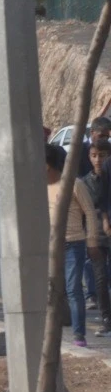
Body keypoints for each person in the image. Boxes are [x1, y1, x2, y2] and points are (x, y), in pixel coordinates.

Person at [46, 144, 105, 348]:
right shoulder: (39, 186)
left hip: (73, 245)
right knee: (53, 290)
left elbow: (89, 212)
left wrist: (91, 241)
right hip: (50, 247)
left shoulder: (74, 184)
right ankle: (54, 333)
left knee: (73, 290)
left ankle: (79, 335)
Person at [88, 141, 111, 335]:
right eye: (94, 155)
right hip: (97, 236)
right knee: (101, 279)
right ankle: (106, 319)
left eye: (102, 155)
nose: (98, 160)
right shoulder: (87, 181)